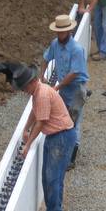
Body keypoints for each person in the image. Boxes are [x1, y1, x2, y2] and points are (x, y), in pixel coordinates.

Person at [14, 64, 77, 211]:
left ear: (32, 82)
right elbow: (35, 113)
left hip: (61, 137)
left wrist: (28, 144)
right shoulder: (38, 92)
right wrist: (26, 128)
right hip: (57, 136)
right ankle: (53, 210)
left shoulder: (41, 94)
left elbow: (41, 122)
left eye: (23, 87)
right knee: (50, 176)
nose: (23, 91)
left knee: (52, 177)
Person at [41, 14, 89, 169]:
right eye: (58, 32)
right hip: (64, 88)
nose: (59, 35)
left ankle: (71, 159)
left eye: (62, 32)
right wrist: (42, 76)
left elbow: (74, 72)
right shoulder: (55, 44)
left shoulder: (76, 49)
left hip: (76, 89)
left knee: (72, 123)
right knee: (64, 120)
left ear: (69, 32)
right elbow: (46, 58)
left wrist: (57, 86)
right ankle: (65, 152)